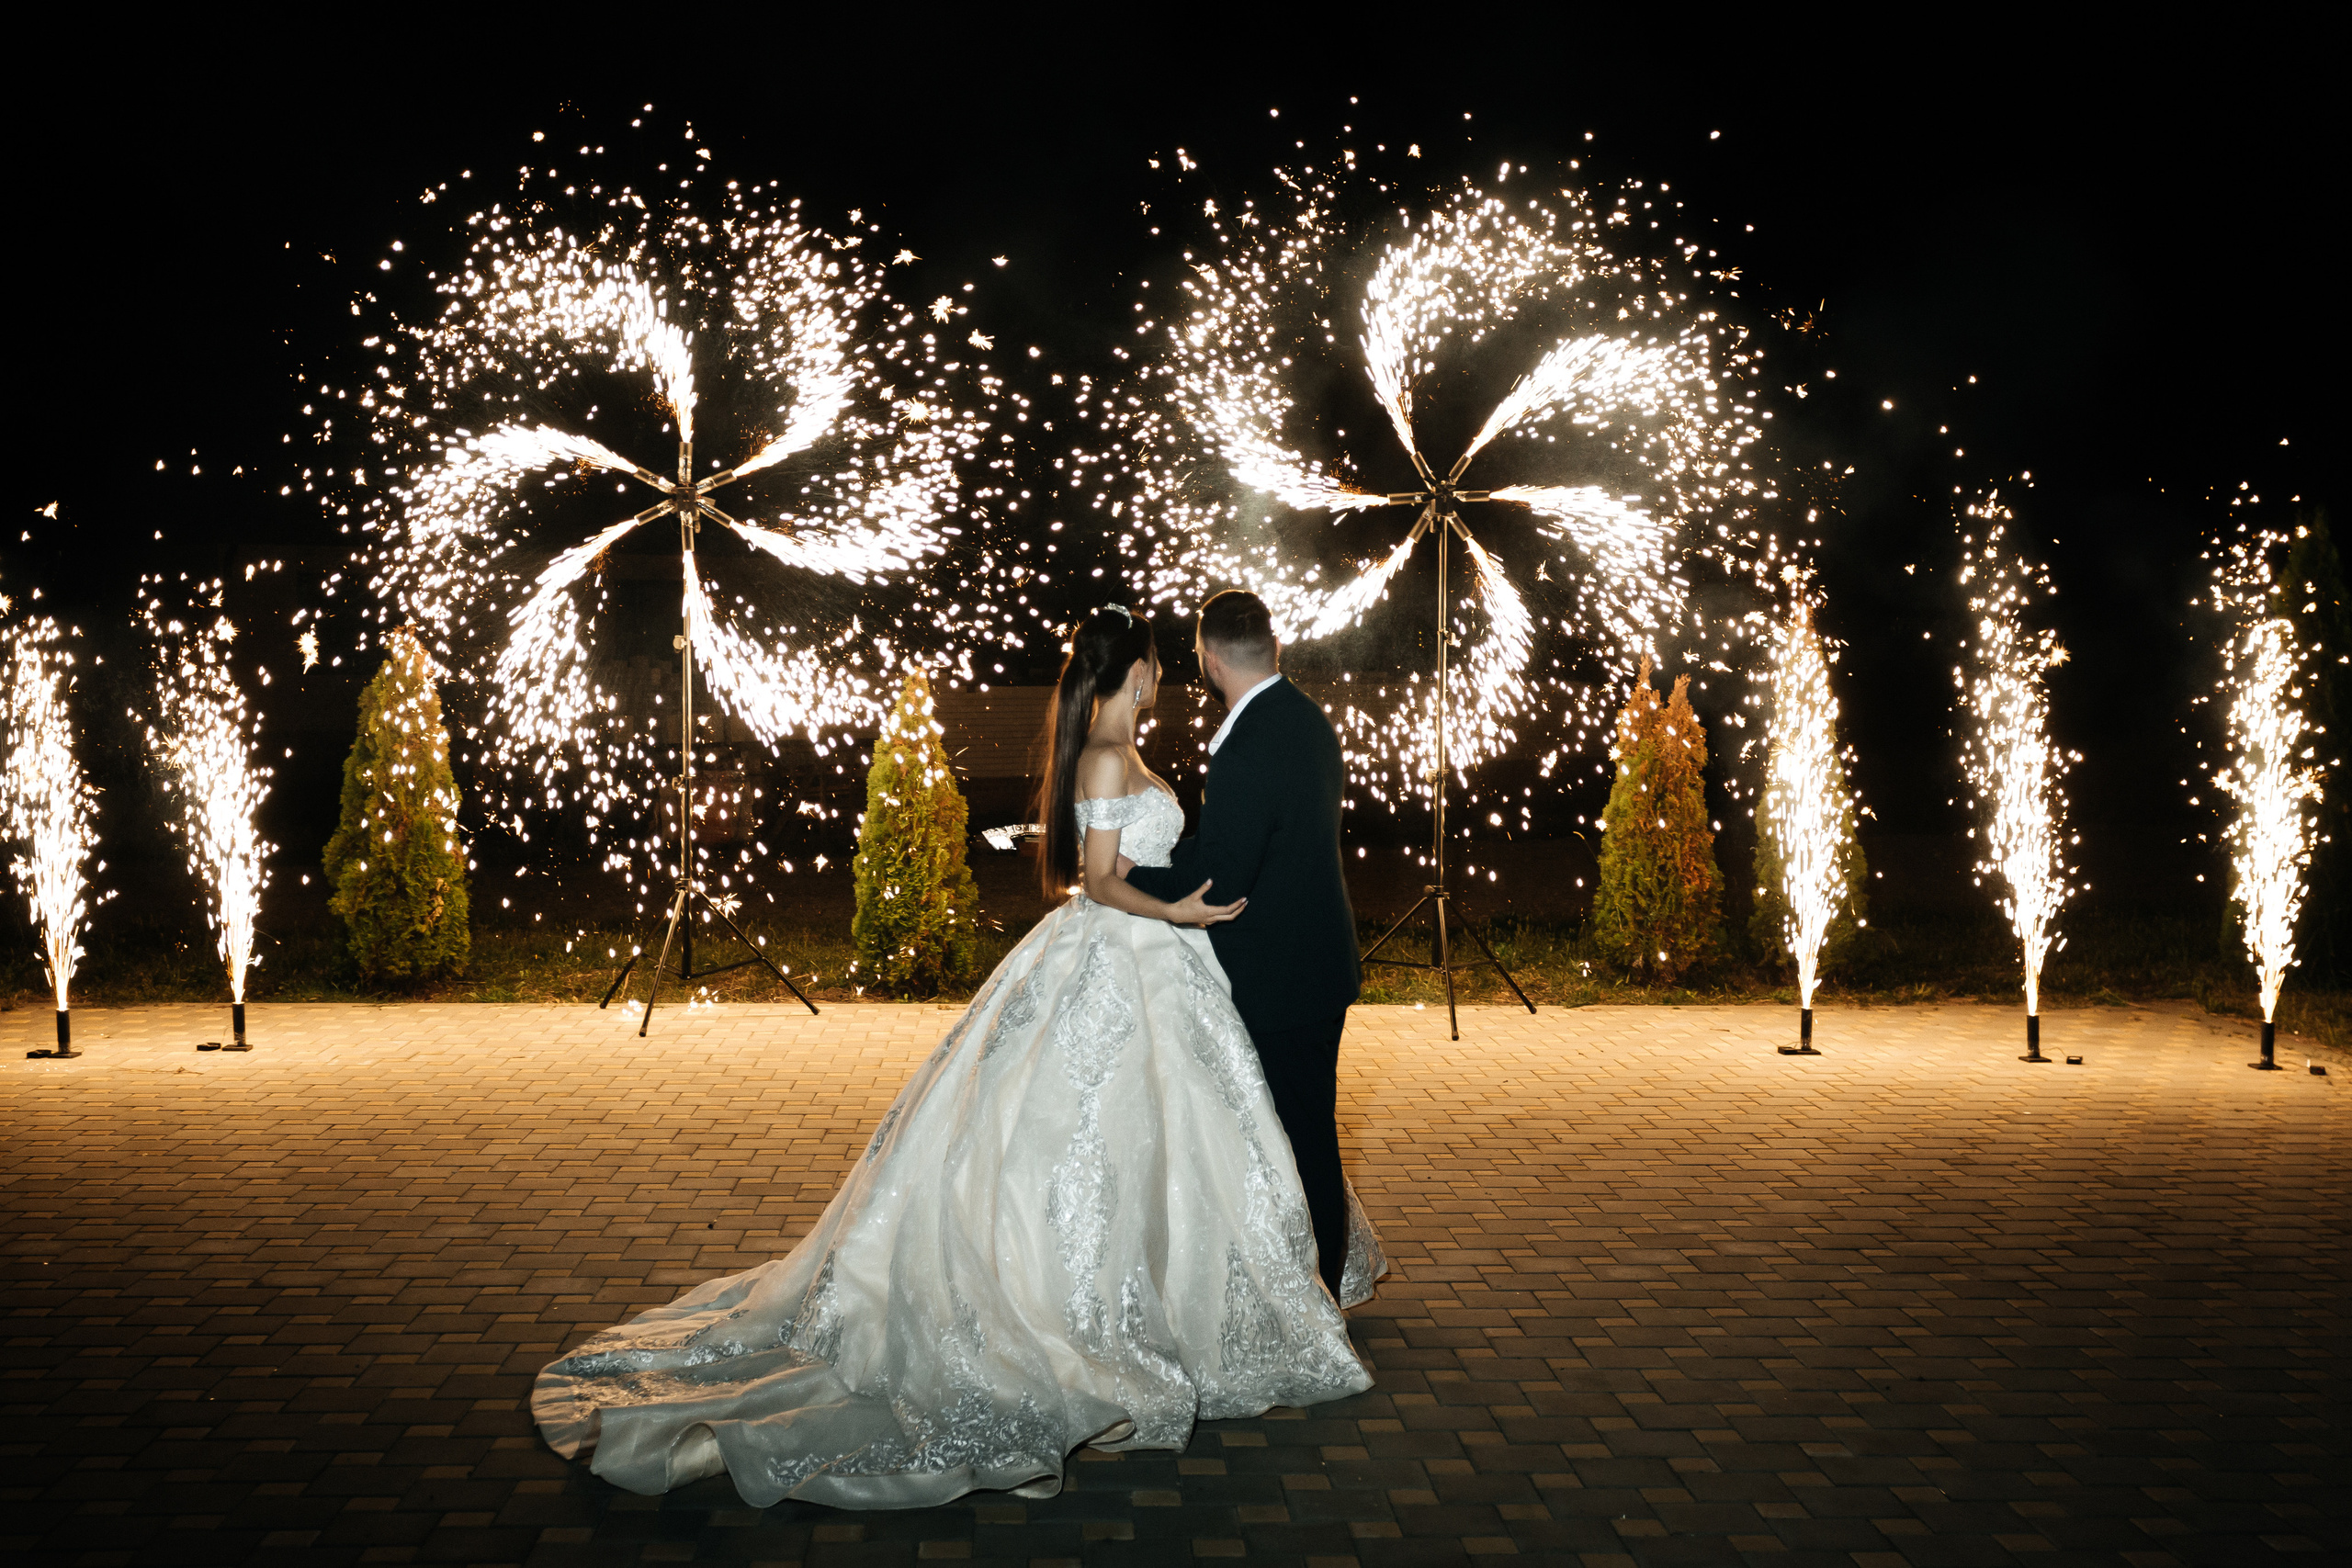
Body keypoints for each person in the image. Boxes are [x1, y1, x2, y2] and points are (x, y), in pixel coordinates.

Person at [531, 604, 1385, 1511]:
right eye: (1153, 665)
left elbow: (1164, 857)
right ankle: (1090, 1308)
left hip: (1166, 968)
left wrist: (1183, 904)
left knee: (1180, 1133)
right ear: (1135, 671)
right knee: (1095, 1133)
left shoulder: (1125, 749)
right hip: (1119, 956)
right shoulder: (1105, 755)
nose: (1165, 677)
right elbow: (1100, 880)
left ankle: (1184, 1297)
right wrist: (1174, 908)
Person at [1120, 590, 1363, 1300]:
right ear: (1273, 646)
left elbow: (1222, 878)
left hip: (1280, 979)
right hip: (1318, 963)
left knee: (1301, 1141)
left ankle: (1317, 1296)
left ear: (1210, 659)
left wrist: (1131, 874)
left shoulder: (1247, 743)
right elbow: (1260, 837)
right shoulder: (1306, 717)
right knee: (1306, 1131)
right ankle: (1311, 1286)